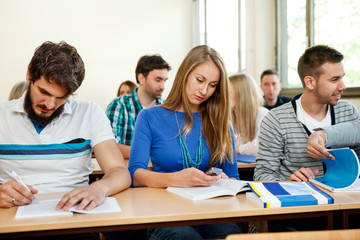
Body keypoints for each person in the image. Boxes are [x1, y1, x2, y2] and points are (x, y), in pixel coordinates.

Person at [0, 41, 131, 229]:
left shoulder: (90, 113)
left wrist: (100, 187)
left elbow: (120, 172)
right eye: (44, 92)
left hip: (74, 223)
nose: (50, 105)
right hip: (12, 224)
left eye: (61, 97)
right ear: (29, 75)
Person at [128, 45, 242, 240]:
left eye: (213, 85)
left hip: (212, 210)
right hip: (166, 212)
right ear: (185, 74)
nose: (204, 90)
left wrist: (223, 181)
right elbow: (134, 174)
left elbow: (233, 178)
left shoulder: (221, 122)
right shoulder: (149, 117)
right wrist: (176, 179)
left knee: (230, 236)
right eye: (200, 80)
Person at [254, 45, 360, 182]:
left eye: (342, 78)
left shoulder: (347, 111)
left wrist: (323, 134)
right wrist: (288, 183)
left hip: (346, 201)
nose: (343, 86)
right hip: (303, 202)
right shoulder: (276, 120)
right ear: (310, 82)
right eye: (334, 80)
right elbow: (262, 175)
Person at [106, 55, 171, 158]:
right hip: (129, 171)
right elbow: (109, 146)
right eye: (158, 80)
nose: (162, 86)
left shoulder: (166, 108)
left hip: (160, 171)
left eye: (164, 80)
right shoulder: (119, 105)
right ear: (141, 78)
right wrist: (151, 152)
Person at [229, 73, 269, 156]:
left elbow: (262, 146)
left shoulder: (263, 114)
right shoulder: (228, 116)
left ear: (242, 94)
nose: (224, 96)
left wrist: (236, 149)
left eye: (229, 92)